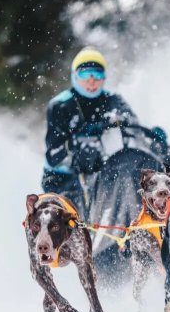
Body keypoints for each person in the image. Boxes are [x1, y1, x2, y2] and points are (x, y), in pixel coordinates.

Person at [41, 48, 144, 214]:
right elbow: (53, 156)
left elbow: (132, 129)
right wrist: (77, 143)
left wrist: (151, 137)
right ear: (74, 76)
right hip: (62, 180)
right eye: (85, 75)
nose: (91, 81)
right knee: (69, 221)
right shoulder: (60, 105)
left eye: (97, 75)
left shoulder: (113, 100)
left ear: (104, 78)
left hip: (105, 176)